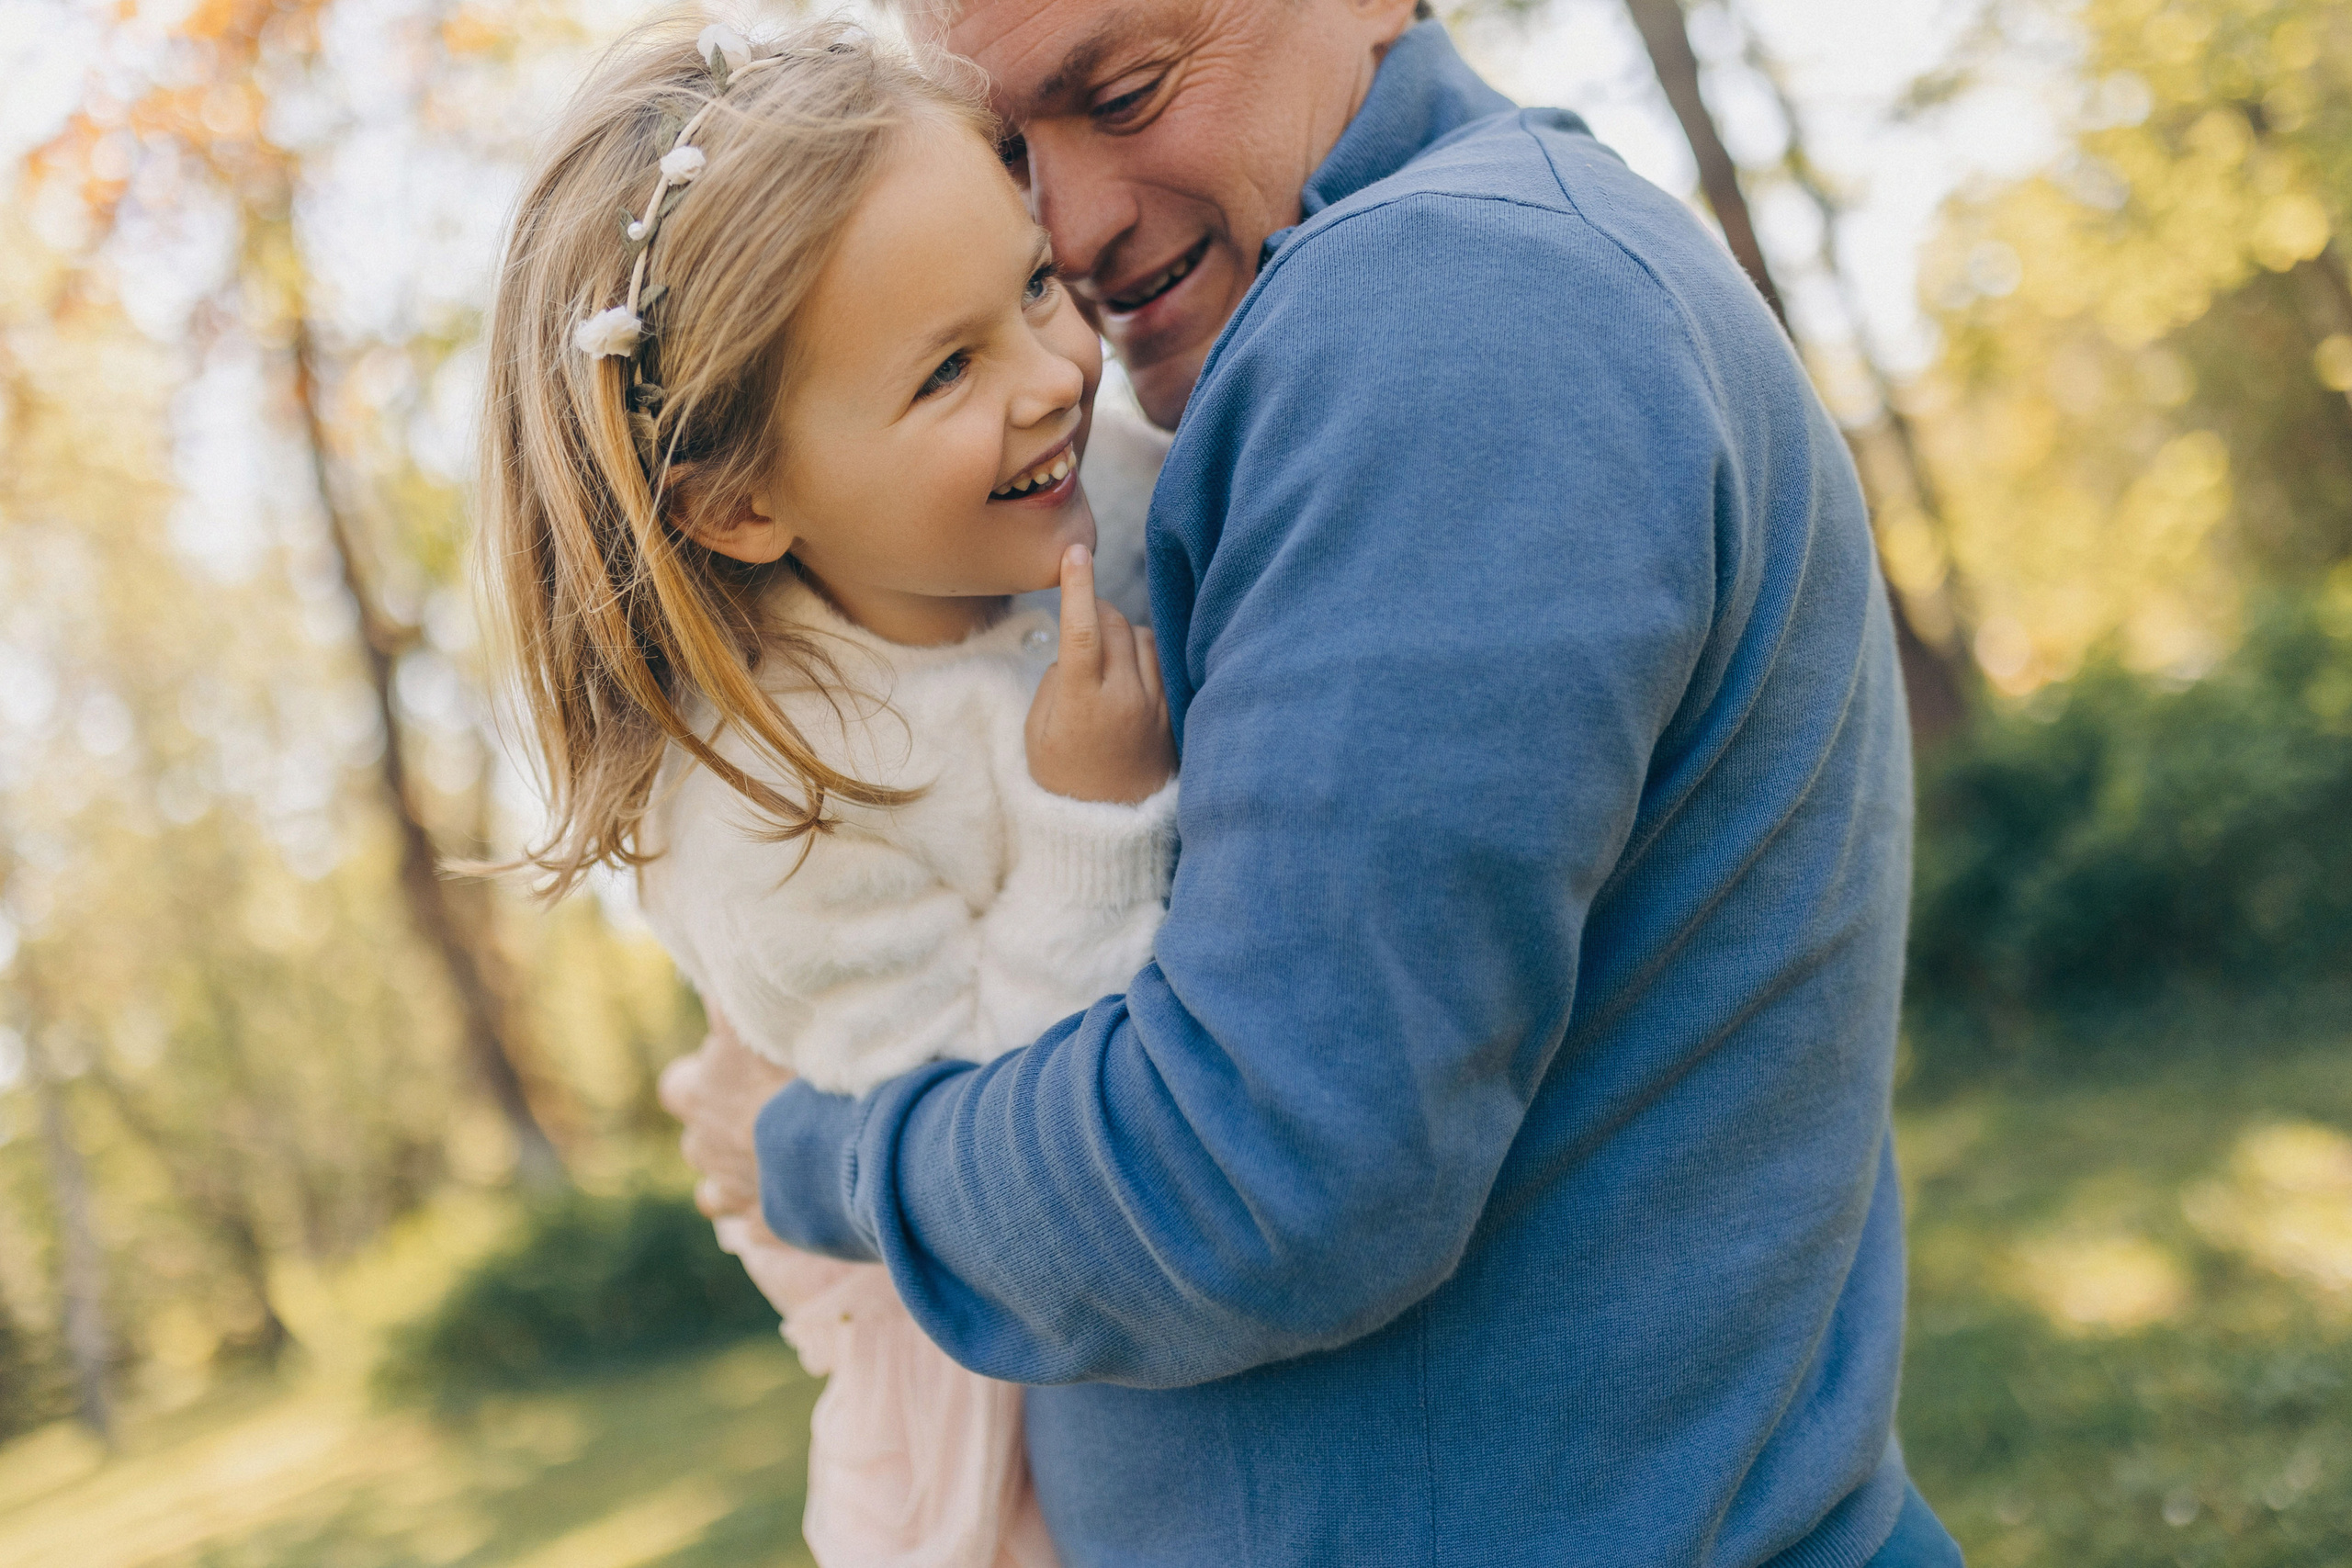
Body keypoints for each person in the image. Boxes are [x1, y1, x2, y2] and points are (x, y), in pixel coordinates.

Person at [668, 1, 1969, 1563]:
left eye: (1130, 90)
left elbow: (1262, 1173)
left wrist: (812, 1153)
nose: (1065, 228)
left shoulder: (1445, 311)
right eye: (1012, 148)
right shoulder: (1384, 314)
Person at [472, 17, 1193, 1564]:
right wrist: (1087, 824)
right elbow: (990, 1171)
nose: (1060, 373)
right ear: (739, 503)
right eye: (948, 369)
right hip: (985, 1413)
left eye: (1030, 287)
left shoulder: (1096, 473)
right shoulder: (766, 806)